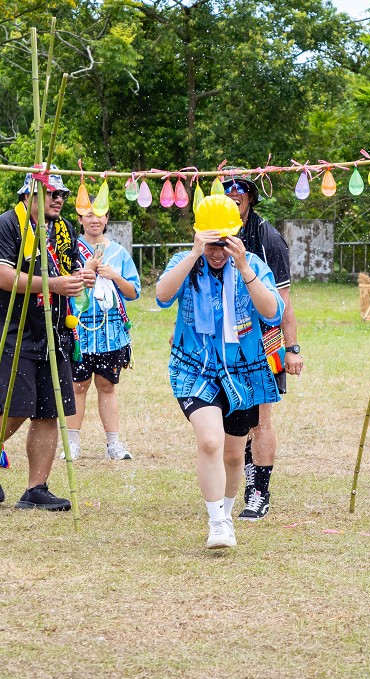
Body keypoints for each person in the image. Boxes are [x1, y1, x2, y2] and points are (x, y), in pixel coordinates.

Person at [156, 194, 284, 549]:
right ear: (199, 236)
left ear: (237, 235)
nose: (217, 252)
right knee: (209, 440)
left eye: (223, 243)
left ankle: (225, 516)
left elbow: (272, 311)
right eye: (211, 243)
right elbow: (162, 296)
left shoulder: (252, 264)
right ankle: (216, 522)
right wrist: (195, 254)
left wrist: (243, 268)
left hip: (243, 372)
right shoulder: (186, 261)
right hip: (193, 368)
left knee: (231, 453)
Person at [0, 167, 95, 510]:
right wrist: (54, 284)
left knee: (48, 412)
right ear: (30, 195)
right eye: (52, 194)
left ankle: (36, 488)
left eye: (62, 195)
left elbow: (68, 272)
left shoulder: (64, 230)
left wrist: (82, 277)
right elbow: (1, 276)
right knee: (15, 407)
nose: (59, 200)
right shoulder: (7, 225)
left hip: (54, 330)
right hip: (14, 331)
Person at [223, 173, 303, 521]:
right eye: (227, 192)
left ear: (250, 198)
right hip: (224, 339)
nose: (233, 196)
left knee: (260, 419)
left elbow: (283, 302)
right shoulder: (214, 230)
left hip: (264, 338)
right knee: (230, 416)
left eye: (239, 192)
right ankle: (231, 486)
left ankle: (259, 493)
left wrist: (293, 348)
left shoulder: (267, 238)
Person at [65, 205, 141, 460]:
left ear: (107, 218)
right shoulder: (70, 251)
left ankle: (114, 444)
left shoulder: (119, 253)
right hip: (79, 331)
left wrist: (115, 276)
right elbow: (61, 287)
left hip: (111, 332)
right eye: (88, 215)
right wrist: (85, 272)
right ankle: (72, 443)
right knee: (78, 386)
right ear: (80, 219)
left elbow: (134, 292)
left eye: (99, 214)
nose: (94, 219)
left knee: (107, 386)